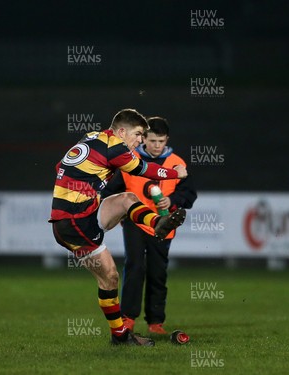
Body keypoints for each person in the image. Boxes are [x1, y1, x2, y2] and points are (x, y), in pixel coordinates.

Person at [49, 108, 188, 345]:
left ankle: (158, 222)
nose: (140, 140)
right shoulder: (115, 146)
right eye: (138, 134)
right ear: (122, 131)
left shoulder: (94, 137)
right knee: (110, 277)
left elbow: (60, 165)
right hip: (75, 222)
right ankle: (121, 336)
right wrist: (174, 173)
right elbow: (142, 169)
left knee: (127, 199)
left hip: (83, 213)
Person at [101, 116, 197, 335]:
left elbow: (190, 195)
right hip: (135, 222)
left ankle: (155, 322)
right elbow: (111, 190)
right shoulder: (131, 160)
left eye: (161, 141)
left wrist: (172, 201)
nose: (156, 146)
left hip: (164, 224)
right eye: (152, 141)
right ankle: (128, 318)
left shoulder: (177, 164)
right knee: (134, 266)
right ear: (143, 138)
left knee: (158, 271)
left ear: (167, 140)